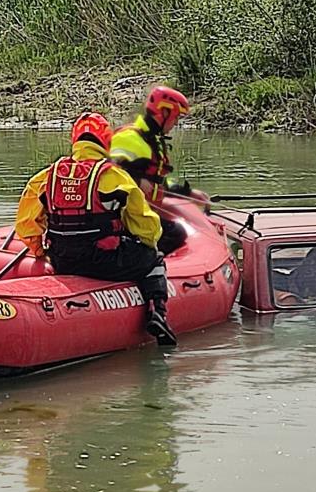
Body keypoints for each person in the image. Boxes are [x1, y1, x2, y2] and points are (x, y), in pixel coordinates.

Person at [15, 112, 176, 346]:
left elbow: (26, 224)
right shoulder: (114, 176)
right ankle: (157, 313)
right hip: (106, 261)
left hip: (63, 261)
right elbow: (147, 227)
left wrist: (39, 252)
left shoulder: (47, 176)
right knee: (154, 260)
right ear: (105, 141)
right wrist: (146, 246)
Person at [110, 86, 191, 255]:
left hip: (145, 212)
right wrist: (137, 180)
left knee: (175, 231)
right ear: (164, 112)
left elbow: (154, 177)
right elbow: (109, 172)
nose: (175, 123)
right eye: (175, 118)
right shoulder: (129, 138)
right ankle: (145, 257)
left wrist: (175, 189)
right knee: (177, 233)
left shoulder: (153, 140)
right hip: (127, 216)